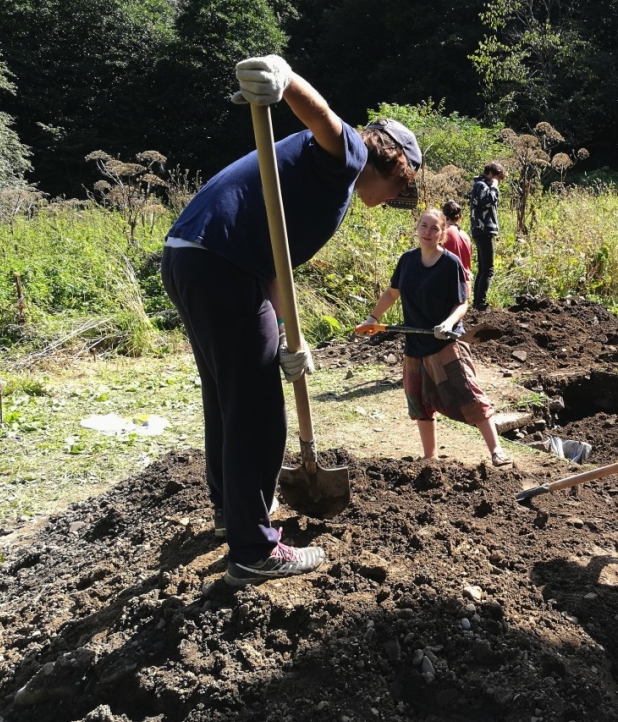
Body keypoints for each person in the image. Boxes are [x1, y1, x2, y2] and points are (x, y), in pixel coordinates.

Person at [161, 54, 422, 586]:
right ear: (393, 163)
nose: (396, 200)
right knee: (258, 411)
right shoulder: (349, 155)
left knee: (228, 399)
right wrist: (285, 77)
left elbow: (277, 262)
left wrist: (284, 334)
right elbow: (324, 116)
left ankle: (230, 514)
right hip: (221, 264)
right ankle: (254, 549)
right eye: (401, 187)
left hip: (196, 256)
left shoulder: (323, 183)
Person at [354, 209, 513, 468]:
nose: (427, 232)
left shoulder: (451, 264)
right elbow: (392, 293)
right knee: (418, 402)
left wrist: (448, 323)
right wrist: (372, 319)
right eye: (423, 226)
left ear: (442, 234)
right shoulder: (407, 260)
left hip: (445, 344)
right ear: (417, 228)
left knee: (469, 395)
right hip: (415, 345)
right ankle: (429, 457)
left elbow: (462, 304)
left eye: (434, 228)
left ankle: (497, 451)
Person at [469, 161, 506, 311]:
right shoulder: (482, 186)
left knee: (483, 268)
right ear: (490, 173)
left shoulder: (480, 185)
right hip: (483, 230)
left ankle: (478, 302)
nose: (498, 182)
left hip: (481, 230)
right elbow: (487, 201)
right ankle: (480, 303)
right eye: (497, 178)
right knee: (488, 269)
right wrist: (495, 186)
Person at [441, 199, 473, 297]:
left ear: (443, 216)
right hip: (465, 286)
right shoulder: (466, 236)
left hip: (447, 285)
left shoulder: (442, 234)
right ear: (459, 217)